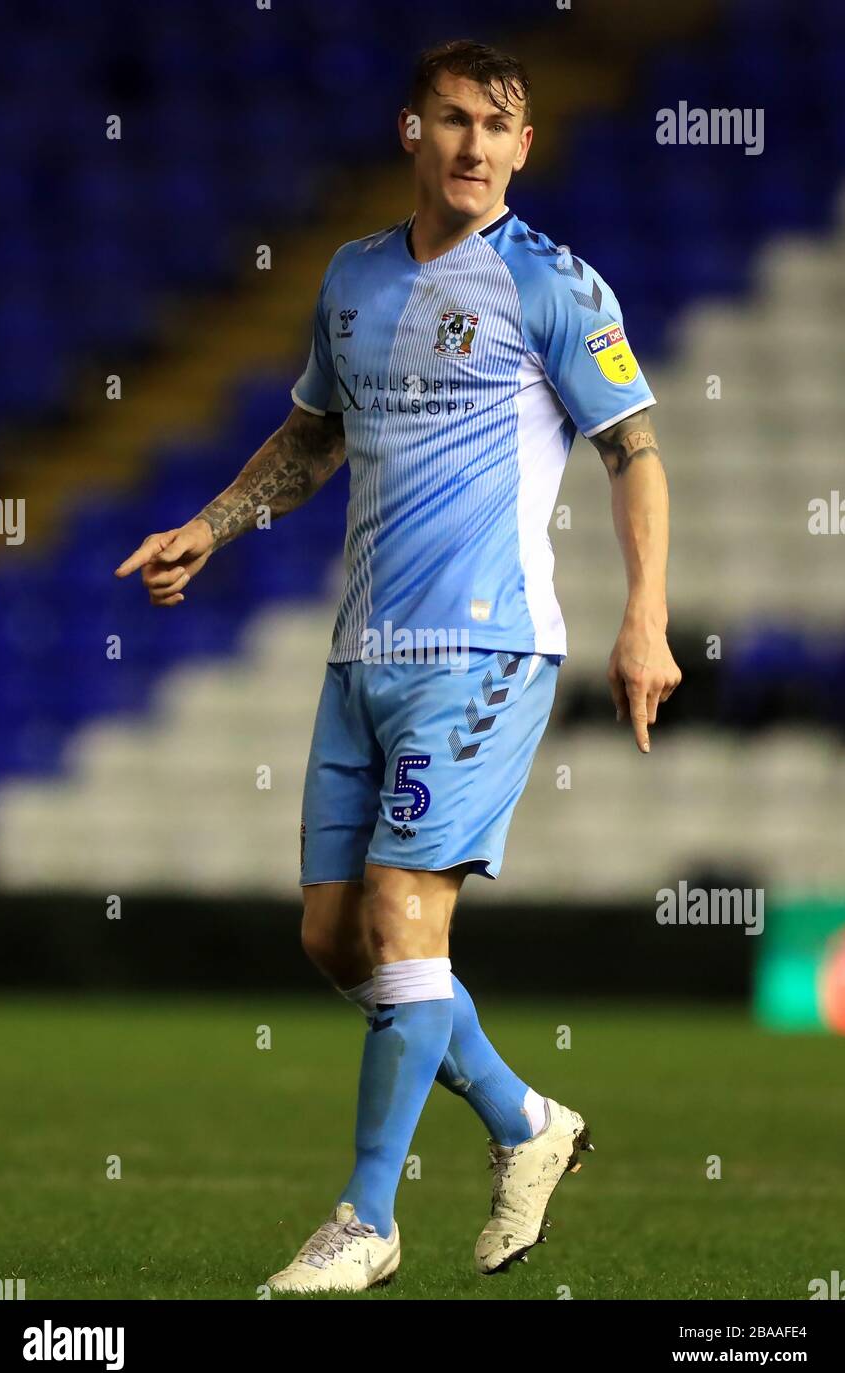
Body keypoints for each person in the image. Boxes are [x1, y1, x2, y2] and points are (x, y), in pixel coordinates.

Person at [115, 38, 681, 1293]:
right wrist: (209, 525)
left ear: (524, 147)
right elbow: (313, 434)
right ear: (408, 132)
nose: (475, 143)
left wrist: (644, 618)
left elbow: (632, 451)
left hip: (482, 648)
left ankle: (365, 1217)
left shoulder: (553, 285)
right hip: (359, 646)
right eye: (452, 120)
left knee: (403, 914)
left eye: (498, 124)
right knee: (334, 938)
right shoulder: (352, 275)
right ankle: (528, 1123)